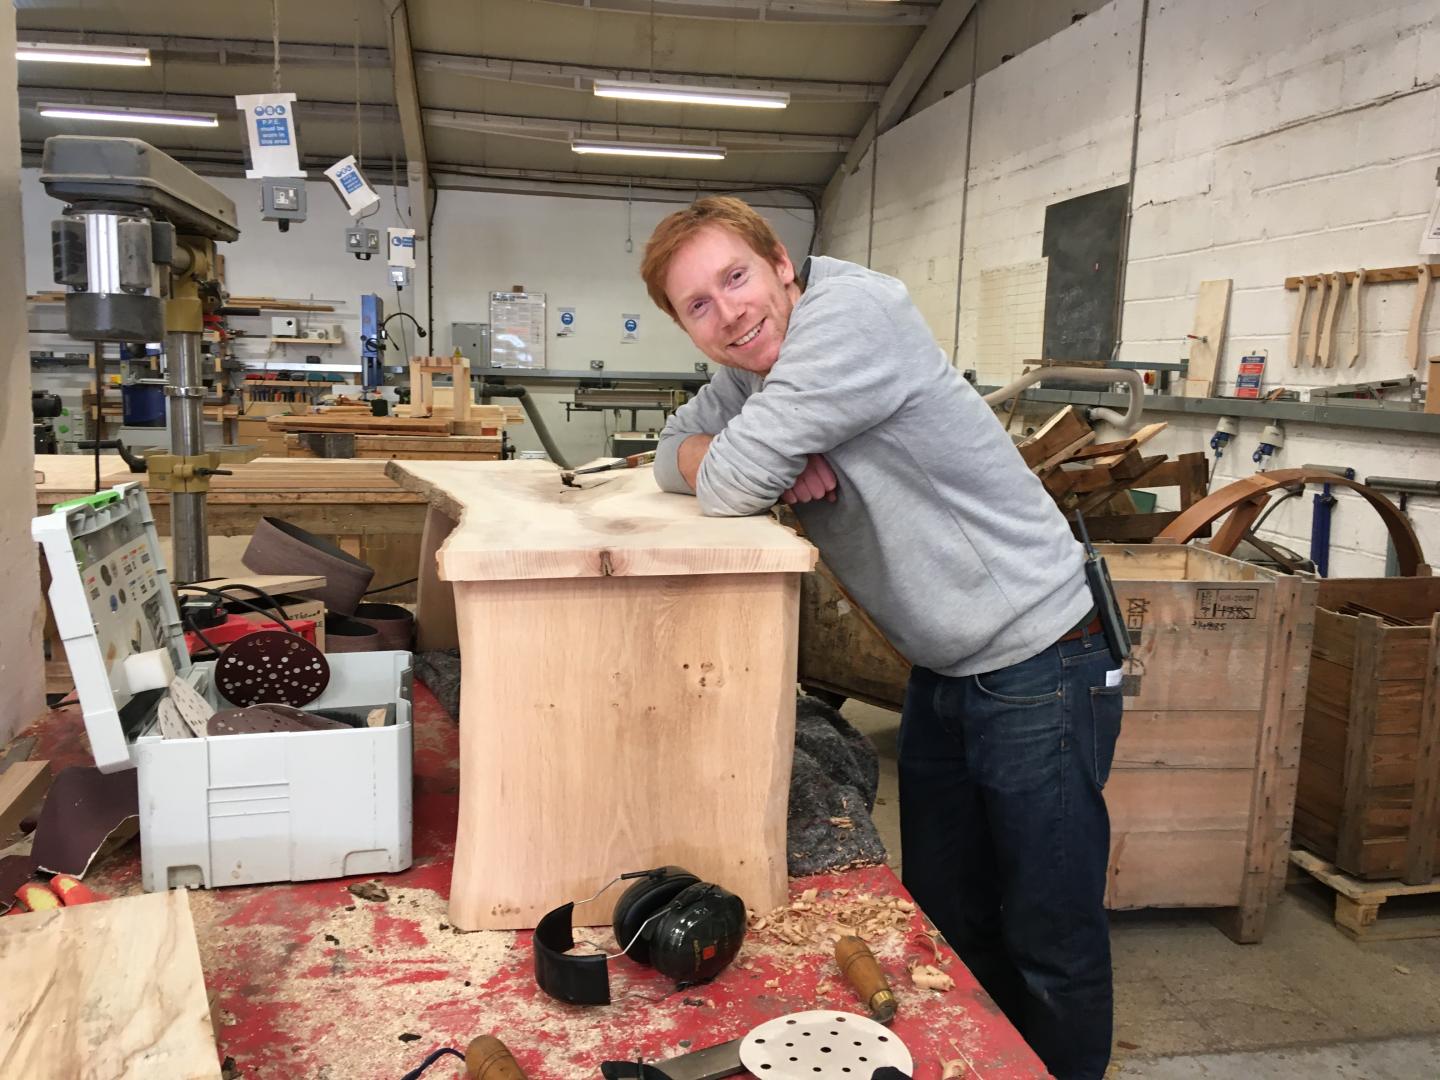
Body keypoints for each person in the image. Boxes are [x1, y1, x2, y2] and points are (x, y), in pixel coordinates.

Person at [639, 196, 1123, 1080]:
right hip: (945, 666)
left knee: (1050, 933)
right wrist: (758, 445)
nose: (730, 312)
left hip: (1040, 656)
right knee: (946, 912)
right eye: (697, 305)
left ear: (781, 262)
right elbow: (671, 450)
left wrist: (754, 457)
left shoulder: (854, 317)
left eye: (736, 277)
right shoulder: (755, 370)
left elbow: (731, 477)